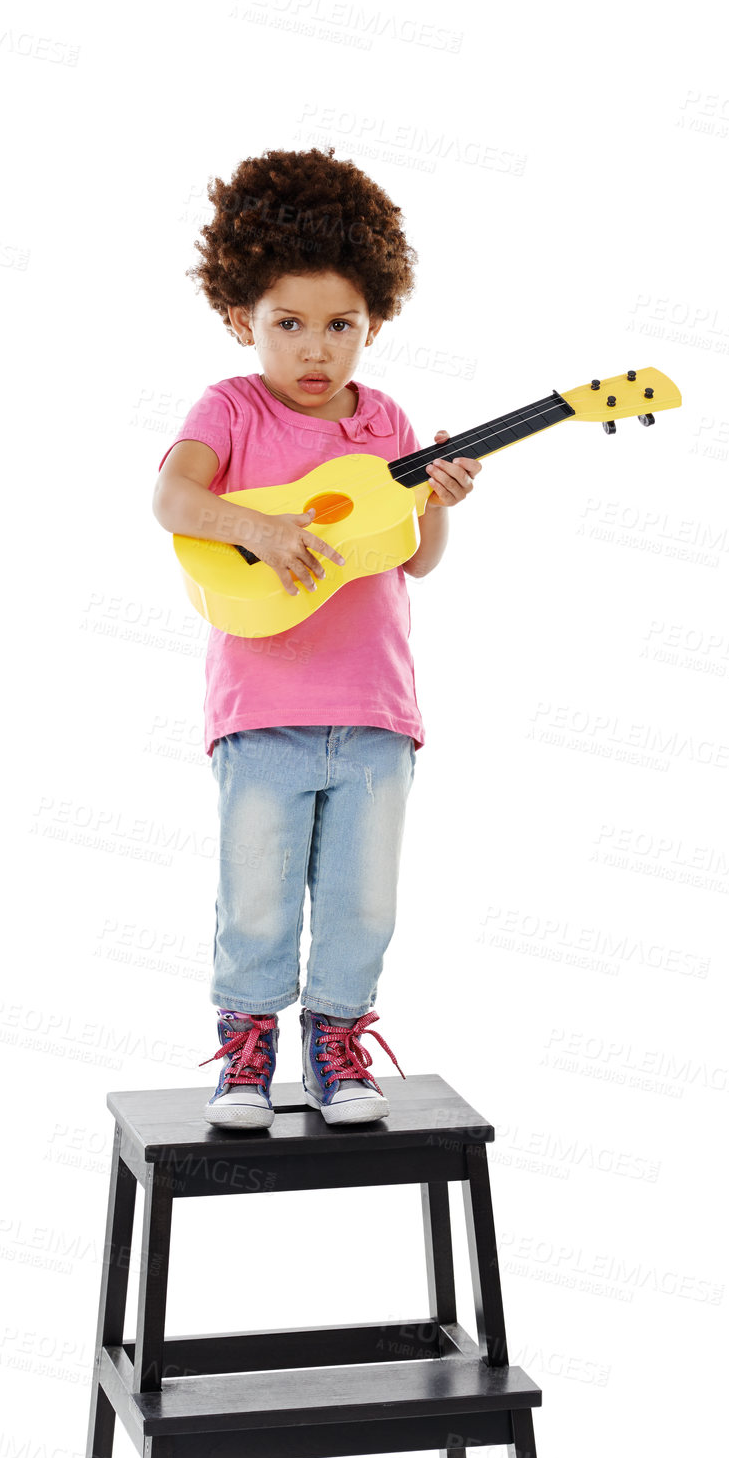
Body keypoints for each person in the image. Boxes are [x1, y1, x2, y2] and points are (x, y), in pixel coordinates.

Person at [152, 146, 481, 1130]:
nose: (315, 349)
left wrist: (441, 502)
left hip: (376, 710)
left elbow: (414, 561)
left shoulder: (387, 424)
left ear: (371, 321)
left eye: (341, 326)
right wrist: (257, 527)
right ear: (239, 317)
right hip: (263, 713)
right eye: (287, 324)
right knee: (256, 894)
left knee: (361, 901)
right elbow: (172, 496)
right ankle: (246, 1046)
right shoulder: (230, 409)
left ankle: (337, 1042)